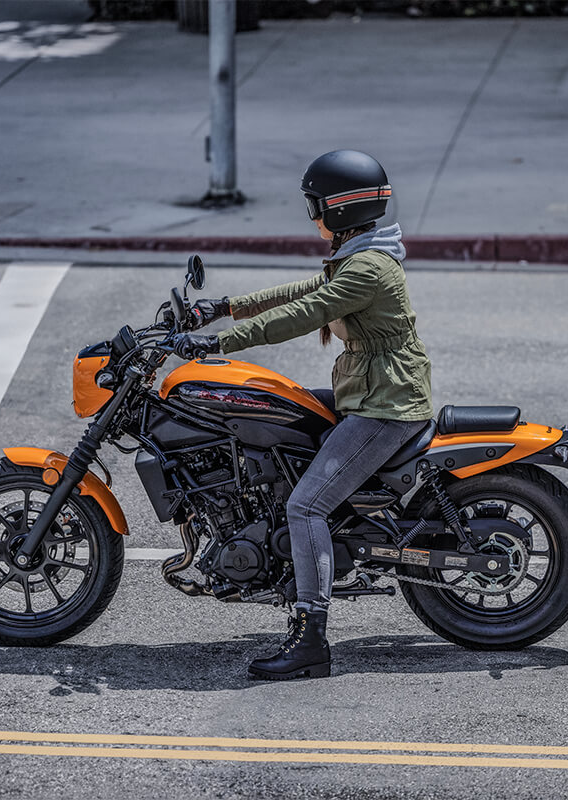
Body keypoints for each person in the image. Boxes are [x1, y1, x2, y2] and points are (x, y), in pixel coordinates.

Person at [174, 150, 433, 681]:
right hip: (369, 390)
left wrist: (216, 342)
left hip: (386, 405)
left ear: (337, 209)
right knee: (279, 420)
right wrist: (221, 307)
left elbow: (303, 313)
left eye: (314, 204)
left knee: (306, 505)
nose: (311, 213)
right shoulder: (360, 255)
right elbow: (303, 292)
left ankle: (311, 638)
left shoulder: (369, 267)